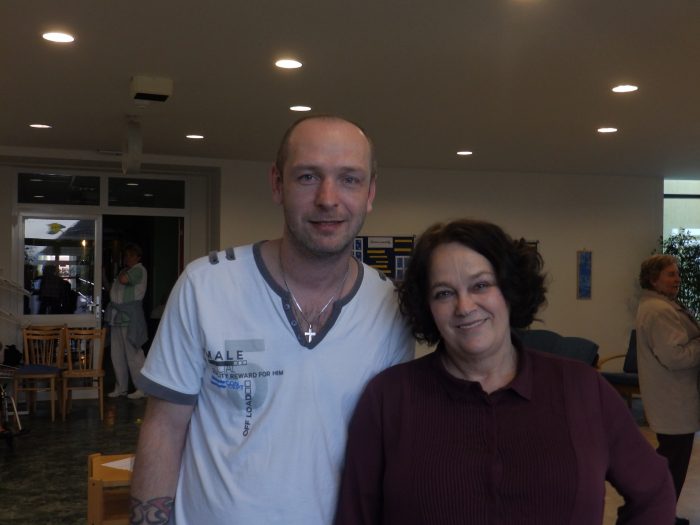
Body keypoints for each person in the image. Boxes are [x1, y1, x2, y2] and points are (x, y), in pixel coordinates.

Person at [129, 115, 414, 524]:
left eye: (349, 179)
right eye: (308, 177)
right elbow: (164, 429)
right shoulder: (205, 286)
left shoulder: (390, 307)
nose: (328, 198)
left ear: (370, 193)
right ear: (278, 184)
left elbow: (391, 446)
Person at [335, 219, 675, 525]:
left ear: (510, 290)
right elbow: (355, 516)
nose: (464, 306)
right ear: (428, 307)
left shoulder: (581, 388)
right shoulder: (389, 398)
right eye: (444, 293)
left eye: (481, 285)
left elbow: (654, 489)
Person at [636, 254, 700, 525]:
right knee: (673, 464)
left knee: (672, 461)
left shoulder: (658, 306)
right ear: (654, 279)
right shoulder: (659, 311)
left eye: (677, 274)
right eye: (670, 274)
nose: (677, 279)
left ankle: (662, 514)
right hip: (674, 401)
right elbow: (676, 357)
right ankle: (659, 517)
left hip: (672, 399)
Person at [106, 243, 148, 400]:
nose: (128, 258)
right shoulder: (125, 271)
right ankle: (121, 387)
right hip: (117, 316)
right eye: (126, 255)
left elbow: (123, 280)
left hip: (130, 317)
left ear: (138, 257)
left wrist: (120, 269)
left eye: (131, 255)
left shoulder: (139, 270)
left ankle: (142, 388)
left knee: (134, 354)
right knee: (116, 354)